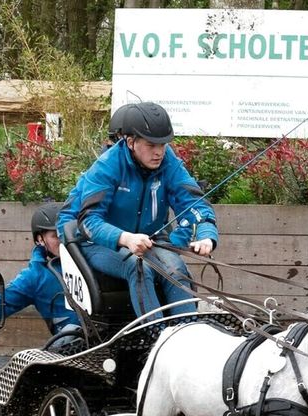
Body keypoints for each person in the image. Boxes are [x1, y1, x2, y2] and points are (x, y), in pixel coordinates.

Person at [57, 101, 217, 319]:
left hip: (147, 236)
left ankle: (186, 332)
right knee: (137, 266)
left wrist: (206, 235)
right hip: (93, 241)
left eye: (163, 145)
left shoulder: (169, 162)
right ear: (131, 142)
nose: (159, 152)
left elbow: (193, 203)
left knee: (175, 267)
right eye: (151, 145)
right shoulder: (106, 166)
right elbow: (88, 221)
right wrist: (125, 238)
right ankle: (155, 336)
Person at [0, 202, 81, 343]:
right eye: (56, 236)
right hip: (73, 348)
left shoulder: (94, 259)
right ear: (40, 239)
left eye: (68, 233)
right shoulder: (35, 277)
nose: (64, 240)